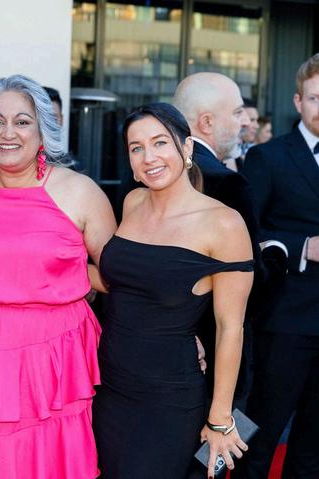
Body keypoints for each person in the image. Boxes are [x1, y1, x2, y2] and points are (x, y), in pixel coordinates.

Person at [0, 74, 117, 478]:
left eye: (22, 122)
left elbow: (118, 278)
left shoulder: (79, 191)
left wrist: (66, 276)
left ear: (42, 131)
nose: (8, 133)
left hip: (51, 362)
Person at [92, 102, 254, 478]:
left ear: (187, 147)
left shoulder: (224, 224)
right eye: (136, 148)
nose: (149, 157)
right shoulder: (132, 203)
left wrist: (220, 419)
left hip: (168, 399)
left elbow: (231, 328)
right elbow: (125, 285)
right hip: (109, 387)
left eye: (160, 142)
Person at [233, 52, 319, 479]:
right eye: (316, 98)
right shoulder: (268, 158)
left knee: (314, 447)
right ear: (298, 101)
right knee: (259, 437)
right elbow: (246, 234)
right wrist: (304, 247)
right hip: (284, 323)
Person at [173, 72, 269, 407]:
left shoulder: (145, 173)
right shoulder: (227, 183)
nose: (245, 122)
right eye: (238, 112)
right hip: (214, 355)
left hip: (158, 346)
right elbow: (252, 285)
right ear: (207, 122)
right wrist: (277, 256)